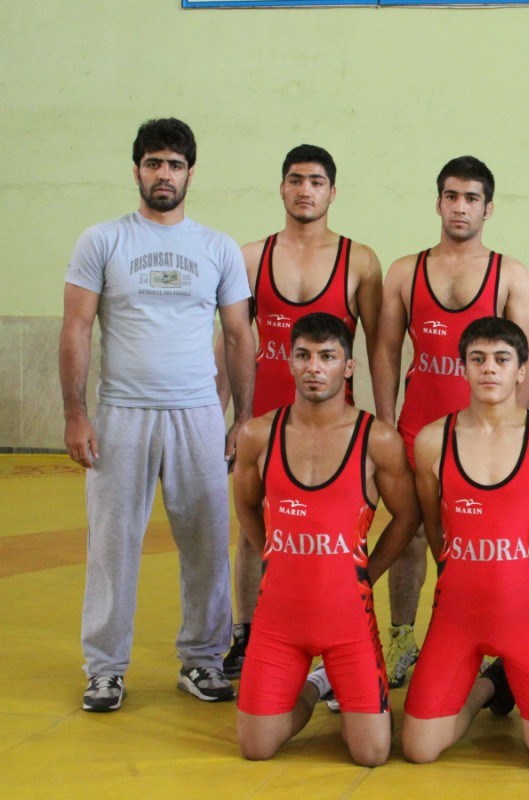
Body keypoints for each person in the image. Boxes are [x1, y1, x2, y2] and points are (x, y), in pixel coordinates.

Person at [59, 118, 255, 711]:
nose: (163, 174)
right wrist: (75, 414)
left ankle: (202, 660)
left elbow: (239, 335)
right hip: (122, 413)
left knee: (207, 543)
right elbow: (77, 328)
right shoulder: (102, 241)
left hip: (198, 414)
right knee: (112, 545)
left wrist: (243, 419)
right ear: (137, 170)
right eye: (153, 163)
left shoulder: (217, 248)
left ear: (191, 173)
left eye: (173, 164)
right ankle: (105, 669)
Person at [373, 156, 529, 689]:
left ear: (488, 208)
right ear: (438, 203)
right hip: (415, 426)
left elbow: (527, 356)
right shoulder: (405, 271)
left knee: (481, 540)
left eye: (471, 198)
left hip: (484, 434)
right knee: (410, 535)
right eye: (451, 197)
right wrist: (384, 421)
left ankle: (484, 638)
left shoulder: (510, 274)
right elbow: (385, 348)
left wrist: (515, 432)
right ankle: (402, 636)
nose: (460, 207)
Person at [222, 144, 384, 679]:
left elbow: (380, 345)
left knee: (339, 528)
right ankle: (247, 631)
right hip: (266, 415)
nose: (305, 190)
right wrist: (232, 416)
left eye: (316, 181)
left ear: (332, 192)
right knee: (254, 524)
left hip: (334, 422)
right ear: (281, 187)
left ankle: (345, 629)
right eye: (295, 180)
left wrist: (386, 416)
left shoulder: (360, 260)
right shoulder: (251, 256)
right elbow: (232, 341)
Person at [231, 313, 418, 765]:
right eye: (304, 355)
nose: (314, 367)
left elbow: (408, 516)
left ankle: (329, 678)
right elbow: (246, 506)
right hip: (279, 618)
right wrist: (272, 554)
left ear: (348, 367)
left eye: (327, 357)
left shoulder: (377, 439)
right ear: (289, 362)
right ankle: (317, 685)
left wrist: (367, 573)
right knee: (256, 747)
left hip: (348, 619)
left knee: (372, 752)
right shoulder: (258, 434)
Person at [400, 317, 529, 773]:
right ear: (463, 367)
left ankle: (510, 680)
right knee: (419, 748)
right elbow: (433, 524)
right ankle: (488, 688)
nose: (489, 369)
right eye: (477, 359)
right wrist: (457, 575)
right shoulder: (432, 440)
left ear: (521, 370)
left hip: (525, 614)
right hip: (456, 613)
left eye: (502, 359)